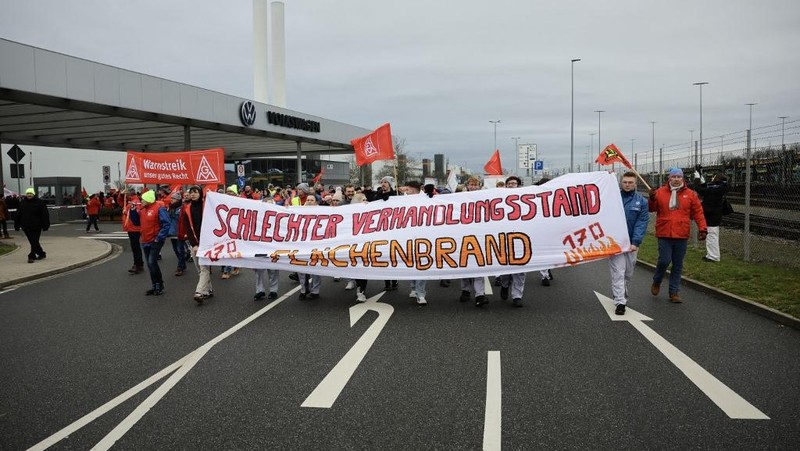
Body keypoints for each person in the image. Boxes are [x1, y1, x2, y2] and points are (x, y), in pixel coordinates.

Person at [649, 168, 707, 303]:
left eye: (679, 177)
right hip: (665, 233)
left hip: (681, 234)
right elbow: (651, 209)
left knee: (677, 264)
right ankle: (657, 281)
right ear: (669, 178)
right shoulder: (660, 192)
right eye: (673, 177)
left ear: (683, 179)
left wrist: (702, 229)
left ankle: (674, 292)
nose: (676, 179)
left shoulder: (691, 194)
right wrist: (652, 198)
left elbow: (698, 212)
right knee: (664, 260)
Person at [608, 172, 650, 315]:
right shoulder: (613, 199)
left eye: (630, 182)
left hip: (631, 243)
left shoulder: (641, 202)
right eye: (625, 182)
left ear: (635, 184)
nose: (627, 185)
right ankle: (620, 301)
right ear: (621, 183)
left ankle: (622, 293)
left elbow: (642, 222)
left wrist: (635, 241)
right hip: (615, 243)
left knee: (628, 273)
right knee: (618, 272)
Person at [132, 190, 171, 296]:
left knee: (151, 262)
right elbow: (136, 222)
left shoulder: (159, 208)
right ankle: (156, 285)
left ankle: (158, 285)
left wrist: (159, 237)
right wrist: (132, 212)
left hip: (155, 241)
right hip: (145, 240)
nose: (141, 201)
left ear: (148, 199)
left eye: (143, 199)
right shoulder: (143, 209)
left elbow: (166, 224)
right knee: (151, 264)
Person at [180, 186, 214, 303]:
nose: (193, 194)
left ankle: (199, 292)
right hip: (194, 242)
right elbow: (188, 228)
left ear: (200, 193)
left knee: (204, 268)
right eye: (191, 192)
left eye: (195, 192)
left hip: (206, 243)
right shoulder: (187, 209)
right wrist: (194, 244)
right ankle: (208, 290)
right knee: (199, 269)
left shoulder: (207, 206)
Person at [459, 176, 488, 307]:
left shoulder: (485, 198)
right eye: (471, 184)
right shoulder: (460, 198)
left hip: (480, 236)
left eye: (475, 185)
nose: (473, 187)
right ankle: (465, 290)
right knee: (464, 265)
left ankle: (479, 294)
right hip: (464, 236)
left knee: (479, 265)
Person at [693, 169, 728, 263]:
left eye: (713, 177)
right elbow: (706, 189)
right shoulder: (719, 187)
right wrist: (702, 180)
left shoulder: (717, 188)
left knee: (712, 235)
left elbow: (700, 190)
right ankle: (711, 255)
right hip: (713, 215)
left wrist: (696, 179)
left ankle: (714, 257)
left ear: (716, 178)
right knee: (711, 235)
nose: (712, 178)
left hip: (712, 215)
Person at [14, 188, 50, 263]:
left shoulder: (40, 202)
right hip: (26, 226)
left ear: (33, 194)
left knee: (34, 241)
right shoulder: (22, 203)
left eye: (31, 193)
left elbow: (45, 215)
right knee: (33, 241)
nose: (29, 195)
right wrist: (16, 225)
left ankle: (31, 256)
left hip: (36, 226)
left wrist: (45, 225)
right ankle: (41, 253)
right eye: (27, 193)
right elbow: (18, 214)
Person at [121, 189, 144, 274]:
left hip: (134, 228)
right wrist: (121, 195)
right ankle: (139, 263)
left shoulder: (134, 203)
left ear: (129, 195)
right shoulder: (132, 201)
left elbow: (135, 216)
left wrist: (126, 213)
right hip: (132, 227)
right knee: (135, 246)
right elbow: (120, 202)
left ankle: (137, 264)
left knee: (135, 247)